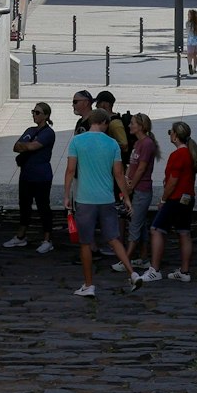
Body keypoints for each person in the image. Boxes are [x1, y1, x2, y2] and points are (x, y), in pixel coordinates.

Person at [63, 109, 135, 297]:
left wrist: (66, 195)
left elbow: (70, 170)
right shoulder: (112, 144)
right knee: (113, 238)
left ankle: (89, 285)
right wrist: (126, 198)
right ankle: (132, 273)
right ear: (104, 122)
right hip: (106, 198)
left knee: (85, 243)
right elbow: (118, 174)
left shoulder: (77, 141)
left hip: (85, 198)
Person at [138, 121, 197, 283]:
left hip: (175, 198)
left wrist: (163, 199)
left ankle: (154, 269)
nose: (169, 134)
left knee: (156, 229)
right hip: (188, 198)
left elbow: (172, 181)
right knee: (184, 232)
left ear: (176, 135)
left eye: (170, 131)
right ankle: (184, 271)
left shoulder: (177, 155)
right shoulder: (190, 154)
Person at [3, 102, 57, 253]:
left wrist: (26, 145)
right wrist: (27, 145)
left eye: (38, 112)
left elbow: (32, 146)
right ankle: (21, 236)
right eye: (33, 112)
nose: (34, 115)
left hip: (41, 176)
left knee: (43, 206)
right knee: (24, 205)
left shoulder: (48, 133)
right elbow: (16, 146)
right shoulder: (30, 130)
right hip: (26, 174)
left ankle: (47, 239)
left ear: (46, 115)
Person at [122, 113, 159, 259]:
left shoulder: (146, 144)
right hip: (135, 188)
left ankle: (126, 259)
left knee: (134, 225)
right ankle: (143, 257)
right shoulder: (138, 143)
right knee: (141, 224)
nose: (129, 126)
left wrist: (131, 186)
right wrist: (127, 179)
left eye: (132, 123)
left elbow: (141, 168)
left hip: (141, 189)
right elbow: (132, 166)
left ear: (141, 126)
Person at [184, 9, 197, 76]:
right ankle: (195, 68)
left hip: (190, 40)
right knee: (195, 54)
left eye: (188, 14)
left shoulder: (188, 23)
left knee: (189, 53)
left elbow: (187, 31)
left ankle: (190, 64)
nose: (187, 15)